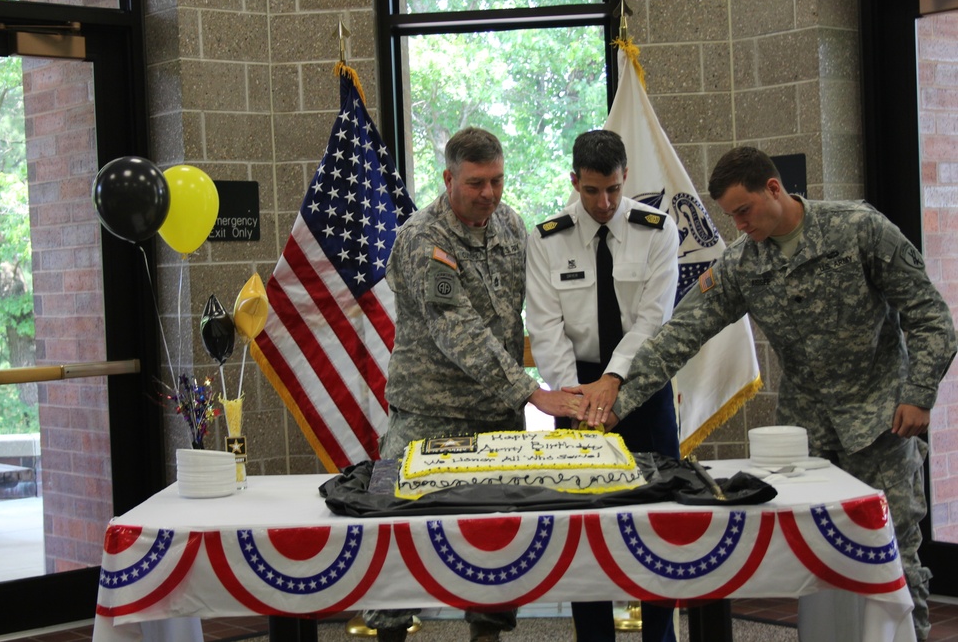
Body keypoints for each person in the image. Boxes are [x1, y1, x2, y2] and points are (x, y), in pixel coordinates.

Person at [578, 146, 957, 642]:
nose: (738, 225)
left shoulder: (858, 229)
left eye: (743, 210)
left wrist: (919, 393)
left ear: (773, 189)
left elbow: (932, 317)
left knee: (895, 555)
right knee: (818, 558)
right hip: (807, 436)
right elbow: (678, 335)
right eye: (730, 215)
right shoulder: (743, 264)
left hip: (881, 423)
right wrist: (613, 400)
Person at [364, 126, 582, 642]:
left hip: (494, 414)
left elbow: (540, 309)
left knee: (496, 540)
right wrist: (533, 393)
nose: (489, 193)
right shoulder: (422, 237)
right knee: (392, 527)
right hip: (425, 414)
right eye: (476, 182)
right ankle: (390, 630)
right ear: (449, 178)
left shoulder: (511, 225)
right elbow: (455, 328)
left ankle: (488, 633)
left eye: (497, 180)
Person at [525, 129, 680, 642]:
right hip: (575, 393)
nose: (605, 202)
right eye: (592, 191)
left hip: (641, 385)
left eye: (613, 189)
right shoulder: (546, 237)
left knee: (658, 518)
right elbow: (545, 328)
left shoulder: (657, 229)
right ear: (574, 182)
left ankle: (658, 634)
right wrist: (577, 397)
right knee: (583, 526)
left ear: (626, 176)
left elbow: (653, 320)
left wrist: (614, 382)